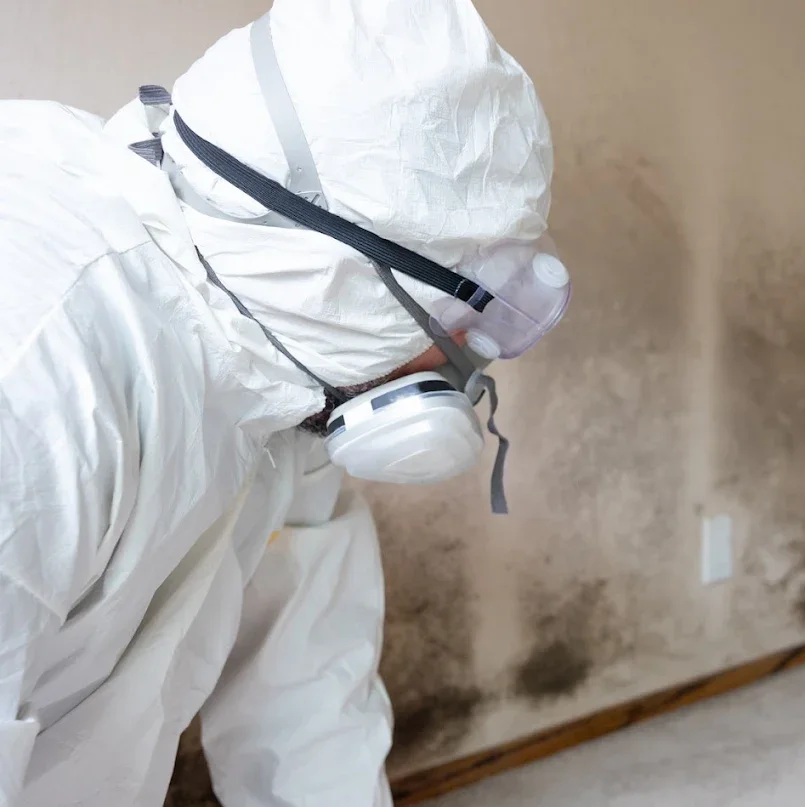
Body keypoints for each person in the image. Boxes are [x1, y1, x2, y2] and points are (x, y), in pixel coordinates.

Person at [0, 0, 565, 804]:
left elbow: (307, 691)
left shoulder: (283, 348)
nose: (469, 347)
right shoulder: (40, 361)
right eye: (462, 303)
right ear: (346, 272)